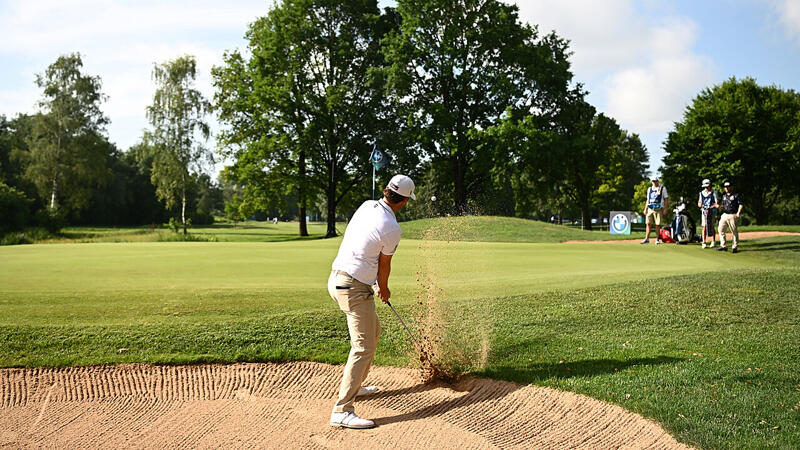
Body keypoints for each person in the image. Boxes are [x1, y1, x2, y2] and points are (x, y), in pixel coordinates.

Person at [327, 174, 416, 429]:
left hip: (337, 279)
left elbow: (365, 245)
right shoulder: (392, 227)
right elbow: (384, 263)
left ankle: (357, 386)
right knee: (363, 346)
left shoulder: (367, 205)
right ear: (405, 201)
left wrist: (374, 283)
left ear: (387, 191)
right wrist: (384, 287)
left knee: (374, 332)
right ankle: (342, 410)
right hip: (353, 287)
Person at [641, 175, 669, 244]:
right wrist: (645, 209)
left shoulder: (662, 188)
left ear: (658, 181)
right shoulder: (649, 189)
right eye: (653, 181)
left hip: (659, 208)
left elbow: (666, 199)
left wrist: (665, 208)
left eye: (655, 181)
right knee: (648, 223)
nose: (654, 183)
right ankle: (647, 239)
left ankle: (657, 239)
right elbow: (648, 200)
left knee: (657, 224)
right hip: (650, 208)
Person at [717, 181, 743, 253]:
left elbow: (740, 204)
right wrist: (719, 206)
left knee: (734, 231)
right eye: (725, 187)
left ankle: (734, 247)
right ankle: (723, 246)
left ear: (732, 187)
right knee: (720, 230)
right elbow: (723, 206)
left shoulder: (736, 195)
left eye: (728, 187)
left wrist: (738, 212)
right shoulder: (724, 196)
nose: (726, 188)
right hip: (725, 214)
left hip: (733, 215)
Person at [697, 179, 719, 249]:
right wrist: (700, 205)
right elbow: (699, 202)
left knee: (711, 226)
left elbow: (716, 203)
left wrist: (712, 206)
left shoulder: (714, 192)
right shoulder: (701, 193)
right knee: (704, 226)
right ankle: (704, 242)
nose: (706, 188)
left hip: (712, 211)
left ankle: (713, 241)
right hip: (704, 211)